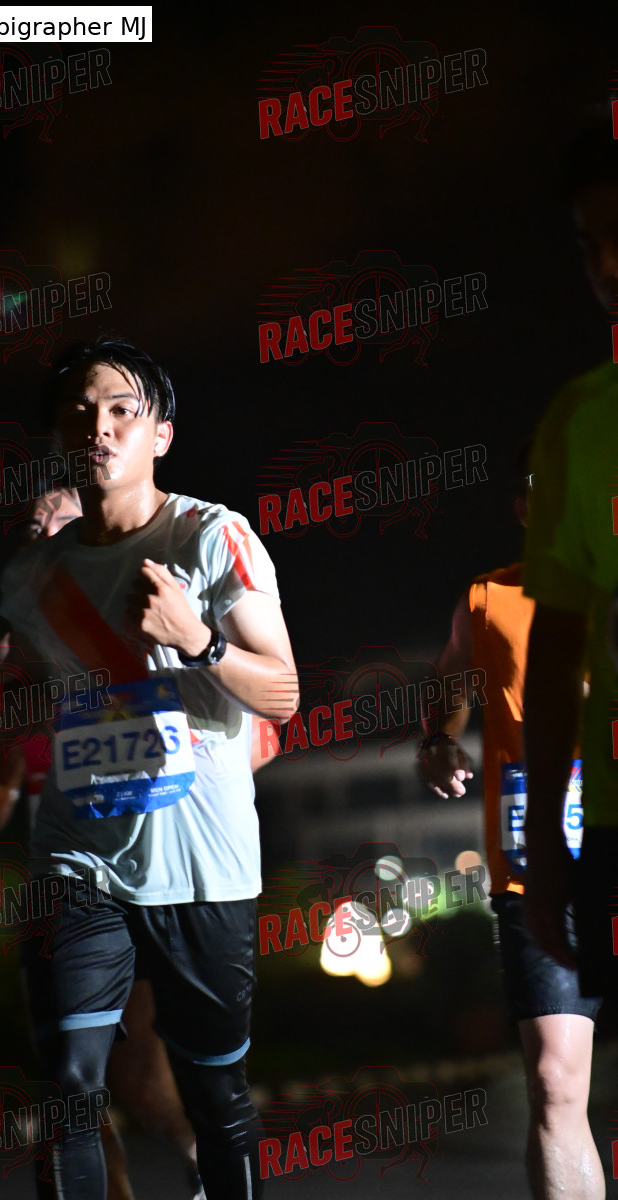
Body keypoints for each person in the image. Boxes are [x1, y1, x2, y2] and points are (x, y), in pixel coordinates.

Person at [0, 337, 298, 1198]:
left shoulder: (213, 536)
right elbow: (30, 706)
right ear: (58, 436)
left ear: (160, 434)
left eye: (122, 410)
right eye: (79, 412)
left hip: (200, 864)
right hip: (77, 855)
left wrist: (196, 639)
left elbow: (281, 692)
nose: (99, 428)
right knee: (69, 1088)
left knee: (213, 1095)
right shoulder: (35, 573)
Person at [418, 451, 604, 1200]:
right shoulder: (488, 596)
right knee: (555, 1080)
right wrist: (439, 740)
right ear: (524, 508)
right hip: (538, 862)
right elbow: (454, 675)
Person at [522, 119, 618, 1005]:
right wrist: (547, 843)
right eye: (591, 246)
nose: (608, 267)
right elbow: (555, 650)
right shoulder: (579, 424)